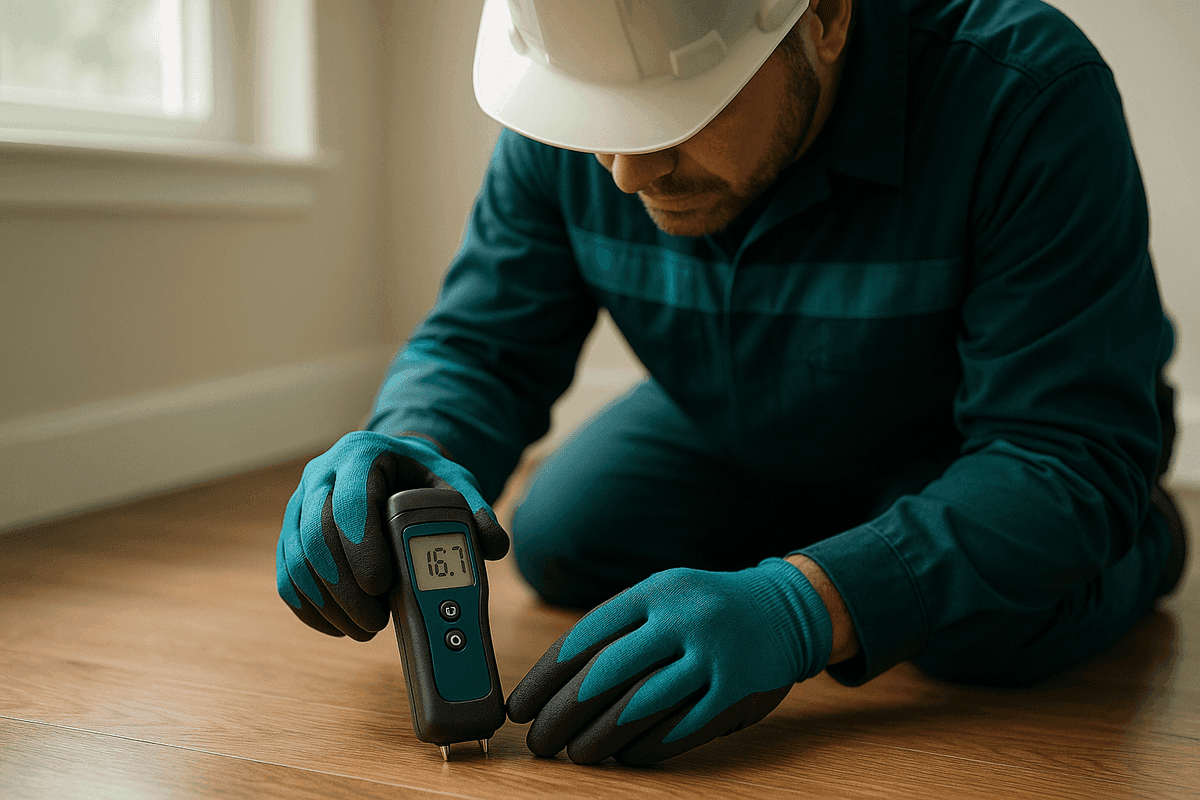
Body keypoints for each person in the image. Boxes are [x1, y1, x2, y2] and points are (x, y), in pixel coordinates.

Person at [276, 0, 1187, 766]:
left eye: (673, 116)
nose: (627, 172)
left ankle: (1141, 533)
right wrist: (411, 441)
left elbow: (1059, 447)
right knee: (562, 539)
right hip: (725, 416)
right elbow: (481, 344)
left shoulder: (1025, 91)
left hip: (963, 441)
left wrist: (803, 604)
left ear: (826, 15)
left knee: (985, 636)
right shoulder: (573, 112)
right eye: (602, 127)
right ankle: (836, 538)